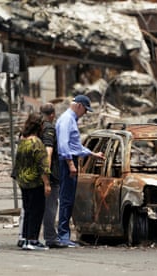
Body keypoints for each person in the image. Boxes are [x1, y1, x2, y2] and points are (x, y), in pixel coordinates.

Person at [56, 95, 105, 247]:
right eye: (85, 110)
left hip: (70, 160)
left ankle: (64, 236)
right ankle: (63, 237)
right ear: (79, 106)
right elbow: (64, 145)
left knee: (69, 200)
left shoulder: (70, 120)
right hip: (66, 163)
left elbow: (75, 145)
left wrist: (92, 154)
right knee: (66, 199)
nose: (84, 114)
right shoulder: (67, 120)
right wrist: (71, 164)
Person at [13, 113, 51, 250]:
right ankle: (33, 240)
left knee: (28, 210)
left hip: (23, 181)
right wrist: (47, 183)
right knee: (37, 211)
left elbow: (18, 161)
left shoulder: (22, 140)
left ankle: (25, 238)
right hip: (35, 182)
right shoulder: (37, 143)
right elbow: (43, 165)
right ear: (40, 126)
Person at [40, 103, 67, 248]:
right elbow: (48, 152)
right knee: (50, 206)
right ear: (52, 115)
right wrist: (47, 177)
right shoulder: (49, 128)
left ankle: (29, 236)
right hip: (50, 174)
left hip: (35, 173)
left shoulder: (36, 126)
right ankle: (50, 237)